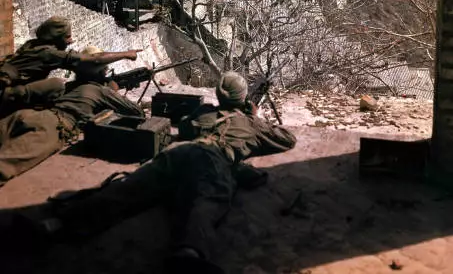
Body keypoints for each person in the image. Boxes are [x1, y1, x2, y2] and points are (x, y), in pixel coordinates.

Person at [32, 72, 297, 274]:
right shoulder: (250, 122)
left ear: (218, 95)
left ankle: (55, 224)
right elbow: (287, 139)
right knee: (207, 201)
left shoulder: (206, 113)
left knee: (129, 189)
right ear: (243, 98)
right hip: (214, 159)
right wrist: (256, 117)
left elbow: (185, 128)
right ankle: (188, 254)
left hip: (181, 153)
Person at [0, 46, 144, 184]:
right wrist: (113, 91)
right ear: (102, 71)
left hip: (27, 115)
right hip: (53, 126)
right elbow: (137, 112)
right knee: (5, 166)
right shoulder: (100, 90)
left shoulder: (67, 85)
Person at [0, 16, 142, 117]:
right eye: (67, 37)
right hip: (5, 97)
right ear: (56, 37)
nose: (70, 41)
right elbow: (93, 60)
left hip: (8, 91)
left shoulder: (32, 45)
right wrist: (127, 54)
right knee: (55, 85)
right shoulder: (48, 53)